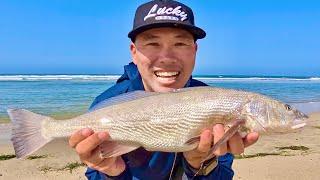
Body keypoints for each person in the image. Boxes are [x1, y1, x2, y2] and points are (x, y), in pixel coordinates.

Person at [69, 0, 259, 179]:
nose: (167, 57)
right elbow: (94, 174)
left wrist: (201, 163)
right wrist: (111, 172)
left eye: (180, 43)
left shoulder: (213, 102)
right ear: (134, 52)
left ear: (194, 50)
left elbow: (224, 175)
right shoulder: (107, 104)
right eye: (153, 44)